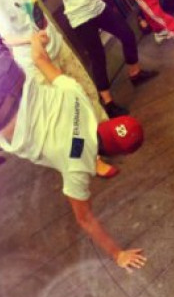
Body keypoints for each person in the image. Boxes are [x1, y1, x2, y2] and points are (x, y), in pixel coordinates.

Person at [0, 34, 147, 271]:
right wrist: (118, 254)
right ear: (118, 152)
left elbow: (39, 58)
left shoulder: (78, 95)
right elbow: (85, 219)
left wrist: (36, 39)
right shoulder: (76, 165)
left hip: (9, 74)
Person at [0, 0, 109, 123]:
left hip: (57, 46)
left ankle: (106, 130)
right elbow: (6, 38)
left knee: (87, 92)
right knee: (68, 112)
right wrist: (31, 40)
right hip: (37, 62)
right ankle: (91, 141)